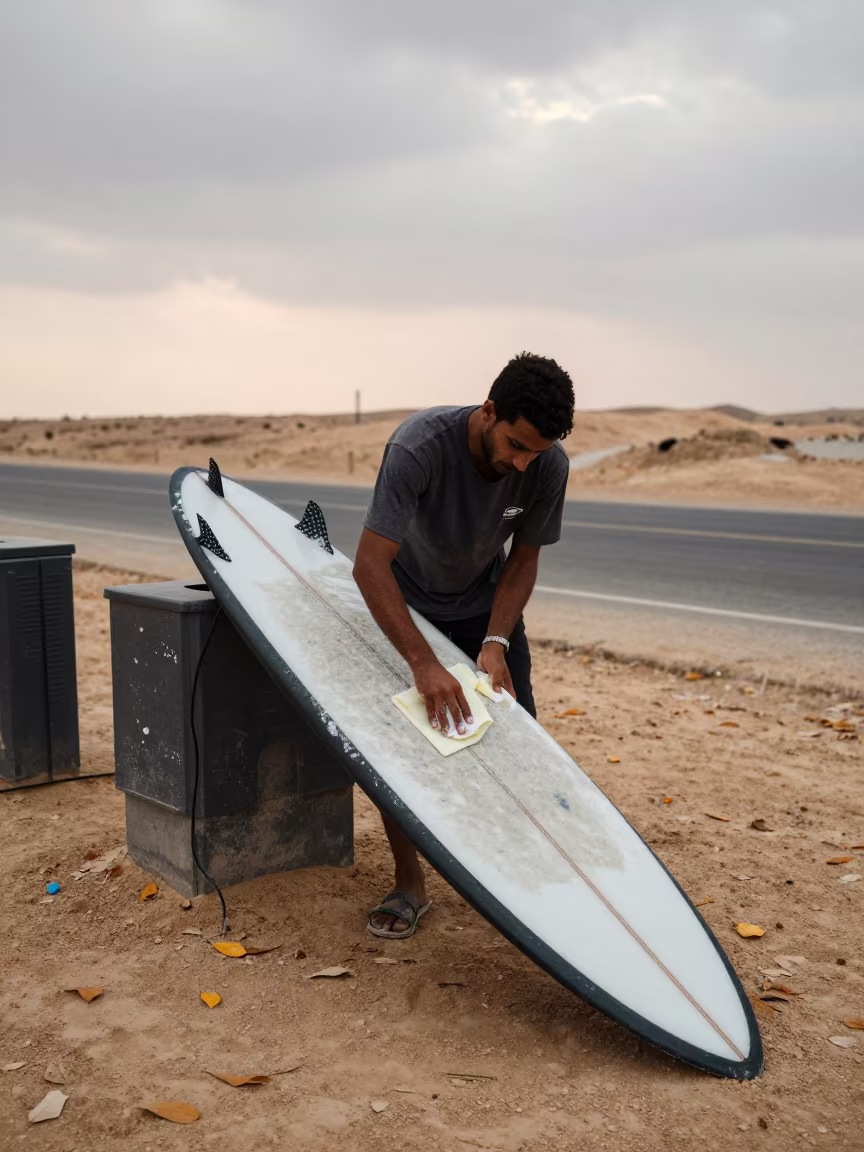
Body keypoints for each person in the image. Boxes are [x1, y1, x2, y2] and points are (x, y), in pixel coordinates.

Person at [352, 351, 574, 938]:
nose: (523, 462)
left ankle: (523, 881)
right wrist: (422, 662)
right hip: (407, 610)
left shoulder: (547, 465)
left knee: (518, 747)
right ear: (488, 411)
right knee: (395, 755)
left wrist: (496, 639)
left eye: (536, 453)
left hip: (486, 609)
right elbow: (370, 564)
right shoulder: (417, 447)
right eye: (516, 446)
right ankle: (409, 884)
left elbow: (524, 559)